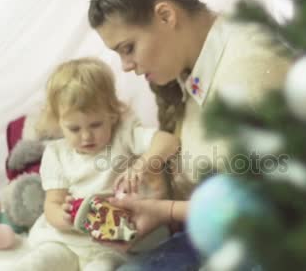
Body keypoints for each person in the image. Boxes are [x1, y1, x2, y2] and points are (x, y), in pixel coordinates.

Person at [88, 0, 292, 270]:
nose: (126, 66)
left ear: (166, 15)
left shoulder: (250, 67)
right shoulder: (191, 71)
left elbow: (259, 206)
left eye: (128, 48)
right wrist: (156, 196)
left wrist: (165, 211)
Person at [9, 57, 179, 271]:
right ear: (58, 123)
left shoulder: (124, 135)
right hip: (66, 241)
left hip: (112, 245)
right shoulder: (57, 153)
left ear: (111, 113)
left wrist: (141, 165)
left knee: (102, 267)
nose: (86, 136)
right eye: (74, 129)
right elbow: (52, 204)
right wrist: (65, 218)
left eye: (96, 124)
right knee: (37, 262)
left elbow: (168, 141)